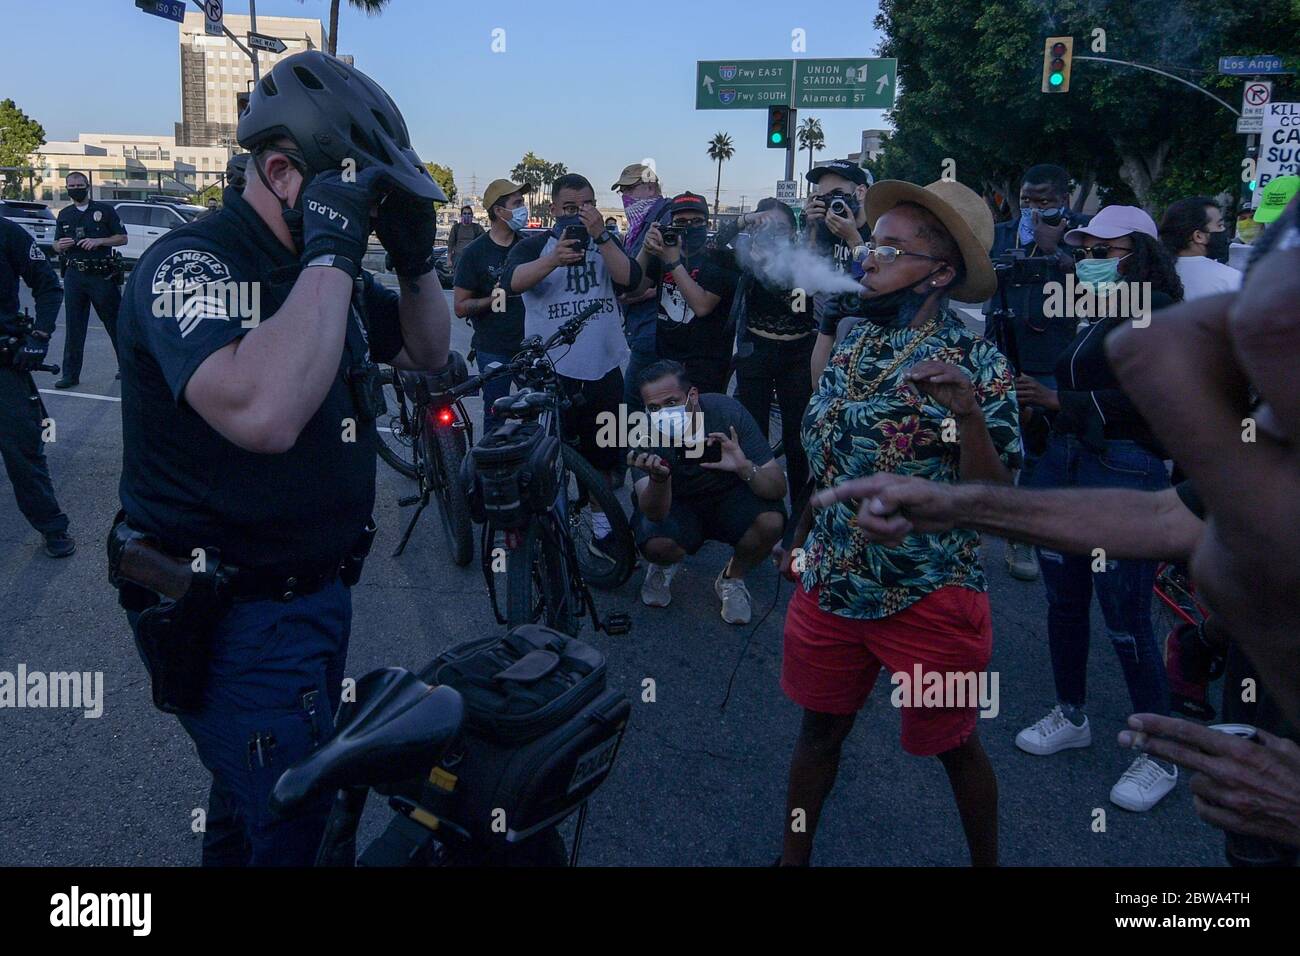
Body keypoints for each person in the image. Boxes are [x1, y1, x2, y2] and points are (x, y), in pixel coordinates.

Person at [112, 50, 452, 866]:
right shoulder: (188, 263)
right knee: (299, 825)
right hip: (234, 617)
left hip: (315, 597)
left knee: (247, 802)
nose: (363, 213)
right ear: (282, 172)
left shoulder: (312, 268)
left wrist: (412, 259)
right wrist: (333, 251)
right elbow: (260, 412)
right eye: (356, 190)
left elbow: (428, 351)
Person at [777, 179, 1020, 867]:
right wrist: (799, 544)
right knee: (818, 736)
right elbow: (824, 466)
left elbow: (995, 499)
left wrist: (968, 415)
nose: (869, 259)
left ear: (941, 273)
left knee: (955, 746)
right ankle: (791, 861)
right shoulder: (854, 345)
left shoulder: (979, 366)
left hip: (929, 593)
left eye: (892, 248)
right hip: (832, 585)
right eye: (872, 243)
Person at [1010, 204, 1184, 813]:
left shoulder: (1159, 311)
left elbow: (1161, 402)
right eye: (1083, 251)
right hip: (1068, 465)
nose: (1088, 262)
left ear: (1138, 253)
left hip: (1122, 469)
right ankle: (1071, 712)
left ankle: (1160, 750)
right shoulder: (1098, 314)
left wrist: (1062, 401)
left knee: (1126, 611)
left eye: (1102, 251)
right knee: (1063, 599)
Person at [501, 172, 640, 557]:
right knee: (547, 458)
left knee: (605, 459)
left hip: (605, 368)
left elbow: (630, 278)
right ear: (553, 209)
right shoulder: (534, 244)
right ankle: (550, 528)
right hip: (552, 373)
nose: (578, 215)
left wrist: (601, 236)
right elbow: (511, 282)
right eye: (569, 208)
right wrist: (553, 259)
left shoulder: (607, 242)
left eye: (586, 206)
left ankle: (600, 529)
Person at [981, 164, 1088, 581]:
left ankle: (1037, 527)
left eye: (1044, 201)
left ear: (1064, 199)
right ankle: (1011, 530)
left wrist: (1058, 253)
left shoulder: (1082, 234)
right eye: (1027, 200)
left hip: (1055, 357)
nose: (1033, 208)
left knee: (1049, 447)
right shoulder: (1003, 232)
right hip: (1002, 350)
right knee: (1003, 443)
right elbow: (979, 280)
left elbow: (1103, 291)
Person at [628, 360, 786, 623]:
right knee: (656, 544)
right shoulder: (642, 432)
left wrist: (744, 467)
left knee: (771, 522)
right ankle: (663, 565)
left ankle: (732, 578)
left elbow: (777, 487)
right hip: (676, 503)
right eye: (654, 408)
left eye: (671, 403)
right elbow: (653, 514)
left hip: (728, 496)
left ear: (693, 395)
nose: (664, 413)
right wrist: (659, 479)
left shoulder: (727, 413)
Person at [718, 199, 815, 503]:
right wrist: (746, 219)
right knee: (753, 430)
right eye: (767, 226)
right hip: (755, 352)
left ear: (793, 232)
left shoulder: (805, 259)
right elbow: (716, 245)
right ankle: (758, 503)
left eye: (781, 228)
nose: (774, 234)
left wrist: (771, 271)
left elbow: (801, 309)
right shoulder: (747, 254)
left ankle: (800, 511)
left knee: (797, 436)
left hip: (798, 356)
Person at [0, 215, 74, 557]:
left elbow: (48, 284)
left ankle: (52, 527)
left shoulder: (7, 232)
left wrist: (39, 336)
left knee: (23, 450)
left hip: (4, 365)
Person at [634, 192, 737, 396]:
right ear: (671, 224)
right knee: (666, 422)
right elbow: (633, 290)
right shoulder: (663, 252)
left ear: (707, 224)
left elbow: (702, 306)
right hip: (666, 357)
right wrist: (646, 251)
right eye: (681, 222)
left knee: (702, 422)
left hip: (707, 363)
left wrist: (673, 262)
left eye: (696, 221)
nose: (689, 226)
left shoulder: (721, 257)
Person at [452, 178, 531, 431]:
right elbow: (460, 306)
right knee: (496, 413)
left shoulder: (529, 246)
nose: (523, 208)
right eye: (517, 203)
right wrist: (495, 298)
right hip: (494, 349)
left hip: (532, 347)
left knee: (537, 414)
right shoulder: (475, 253)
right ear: (499, 211)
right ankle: (491, 468)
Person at [52, 171, 127, 388]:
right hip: (75, 275)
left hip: (101, 275)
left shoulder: (104, 211)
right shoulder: (65, 214)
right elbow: (55, 244)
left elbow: (122, 238)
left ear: (87, 185)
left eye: (79, 184)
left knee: (115, 324)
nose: (75, 188)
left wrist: (99, 241)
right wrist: (60, 245)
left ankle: (127, 367)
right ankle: (70, 375)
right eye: (71, 185)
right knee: (74, 327)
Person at [805, 159, 872, 384]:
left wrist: (853, 237)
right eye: (824, 197)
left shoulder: (879, 228)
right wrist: (811, 227)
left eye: (838, 194)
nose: (832, 203)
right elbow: (807, 280)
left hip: (865, 335)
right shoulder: (824, 228)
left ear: (860, 192)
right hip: (824, 331)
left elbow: (875, 283)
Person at [612, 162, 670, 409]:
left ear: (649, 187)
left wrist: (639, 293)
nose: (625, 197)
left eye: (629, 189)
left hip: (653, 329)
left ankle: (633, 447)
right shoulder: (640, 224)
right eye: (622, 191)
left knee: (633, 401)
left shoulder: (664, 218)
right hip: (640, 327)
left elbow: (676, 272)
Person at [1158, 196, 1242, 299]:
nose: (1224, 230)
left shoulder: (1151, 275)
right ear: (1198, 236)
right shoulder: (1232, 278)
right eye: (1219, 225)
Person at [445, 204, 484, 273]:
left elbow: (484, 241)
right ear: (461, 215)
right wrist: (449, 259)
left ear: (472, 215)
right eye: (464, 213)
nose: (467, 215)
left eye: (469, 214)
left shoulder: (477, 228)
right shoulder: (456, 227)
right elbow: (450, 244)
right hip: (458, 258)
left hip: (473, 259)